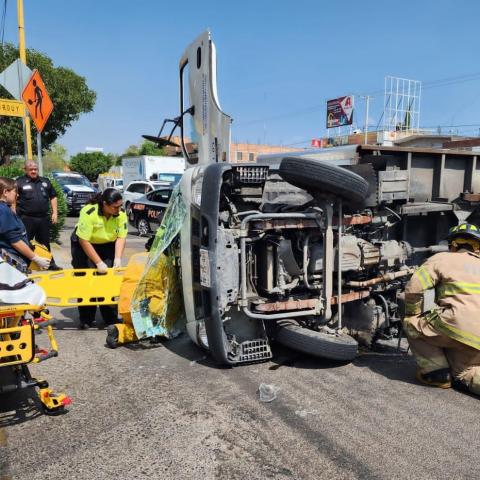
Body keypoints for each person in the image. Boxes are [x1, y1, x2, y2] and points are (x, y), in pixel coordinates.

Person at [404, 223, 480, 395]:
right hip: (475, 340)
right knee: (465, 372)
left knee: (412, 324)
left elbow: (414, 288)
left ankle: (437, 373)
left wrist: (413, 312)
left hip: (456, 324)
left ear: (453, 245)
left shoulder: (442, 259)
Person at [71, 188, 127, 329]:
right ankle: (86, 318)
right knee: (86, 280)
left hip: (107, 244)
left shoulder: (120, 215)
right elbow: (84, 240)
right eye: (115, 207)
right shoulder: (89, 212)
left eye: (120, 206)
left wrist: (118, 258)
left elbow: (121, 237)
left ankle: (110, 318)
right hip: (83, 245)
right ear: (104, 204)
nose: (118, 209)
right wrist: (98, 262)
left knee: (107, 281)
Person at [15, 160, 60, 270]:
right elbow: (13, 200)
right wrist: (14, 215)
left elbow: (53, 197)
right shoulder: (19, 182)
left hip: (43, 218)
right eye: (31, 169)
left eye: (35, 169)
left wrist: (55, 212)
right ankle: (24, 265)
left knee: (45, 242)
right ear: (25, 170)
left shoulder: (45, 181)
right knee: (25, 242)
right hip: (26, 218)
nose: (34, 171)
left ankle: (49, 264)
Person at [0, 177, 50, 270]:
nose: (17, 195)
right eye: (15, 191)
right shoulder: (3, 211)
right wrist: (36, 258)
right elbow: (15, 241)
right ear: (5, 192)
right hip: (10, 263)